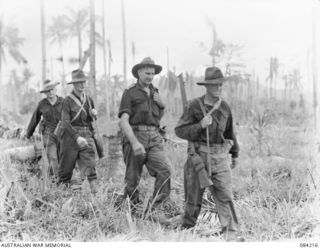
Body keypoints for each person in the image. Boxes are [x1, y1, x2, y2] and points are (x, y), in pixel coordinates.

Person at [175, 66, 242, 241]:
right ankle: (186, 229)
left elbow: (229, 133)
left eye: (220, 84)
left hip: (220, 158)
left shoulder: (225, 107)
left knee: (225, 195)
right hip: (198, 157)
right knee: (193, 197)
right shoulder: (194, 106)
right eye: (214, 85)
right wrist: (199, 126)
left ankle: (231, 234)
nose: (219, 88)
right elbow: (180, 130)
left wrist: (234, 154)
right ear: (206, 86)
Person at [118, 57, 171, 212]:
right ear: (139, 72)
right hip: (135, 135)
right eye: (147, 73)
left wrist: (161, 105)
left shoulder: (155, 92)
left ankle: (155, 208)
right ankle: (132, 208)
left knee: (164, 170)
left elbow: (156, 117)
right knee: (132, 178)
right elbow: (123, 121)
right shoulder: (130, 93)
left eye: (152, 74)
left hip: (154, 137)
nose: (150, 76)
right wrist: (134, 143)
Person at [58, 69, 98, 194]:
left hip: (87, 134)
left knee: (90, 165)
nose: (82, 85)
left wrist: (93, 114)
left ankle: (94, 196)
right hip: (70, 136)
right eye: (79, 82)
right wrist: (76, 137)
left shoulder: (89, 99)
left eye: (83, 82)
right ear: (73, 84)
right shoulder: (67, 101)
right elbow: (65, 122)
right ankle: (62, 197)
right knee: (66, 169)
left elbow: (90, 119)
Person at [26, 80, 63, 179]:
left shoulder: (63, 102)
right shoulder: (42, 104)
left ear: (55, 89)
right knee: (52, 157)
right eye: (47, 91)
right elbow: (35, 119)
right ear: (44, 93)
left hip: (62, 134)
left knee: (62, 158)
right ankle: (56, 181)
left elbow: (70, 118)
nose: (50, 92)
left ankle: (62, 178)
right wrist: (28, 134)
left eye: (52, 89)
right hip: (48, 135)